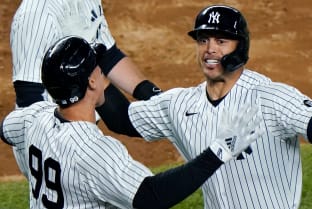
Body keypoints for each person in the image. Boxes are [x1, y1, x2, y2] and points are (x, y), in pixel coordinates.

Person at [100, 5, 312, 209]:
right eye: (203, 40)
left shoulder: (269, 97)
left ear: (241, 47)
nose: (210, 49)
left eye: (221, 41)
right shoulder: (180, 104)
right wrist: (90, 68)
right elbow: (122, 119)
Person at [0, 36, 264, 209]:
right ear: (92, 82)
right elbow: (151, 196)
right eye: (97, 67)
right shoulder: (92, 151)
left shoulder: (35, 118)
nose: (102, 70)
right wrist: (219, 151)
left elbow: (5, 129)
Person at [10, 0, 160, 176]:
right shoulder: (36, 14)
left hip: (81, 124)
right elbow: (30, 96)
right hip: (50, 139)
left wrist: (153, 96)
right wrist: (67, 144)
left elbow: (108, 56)